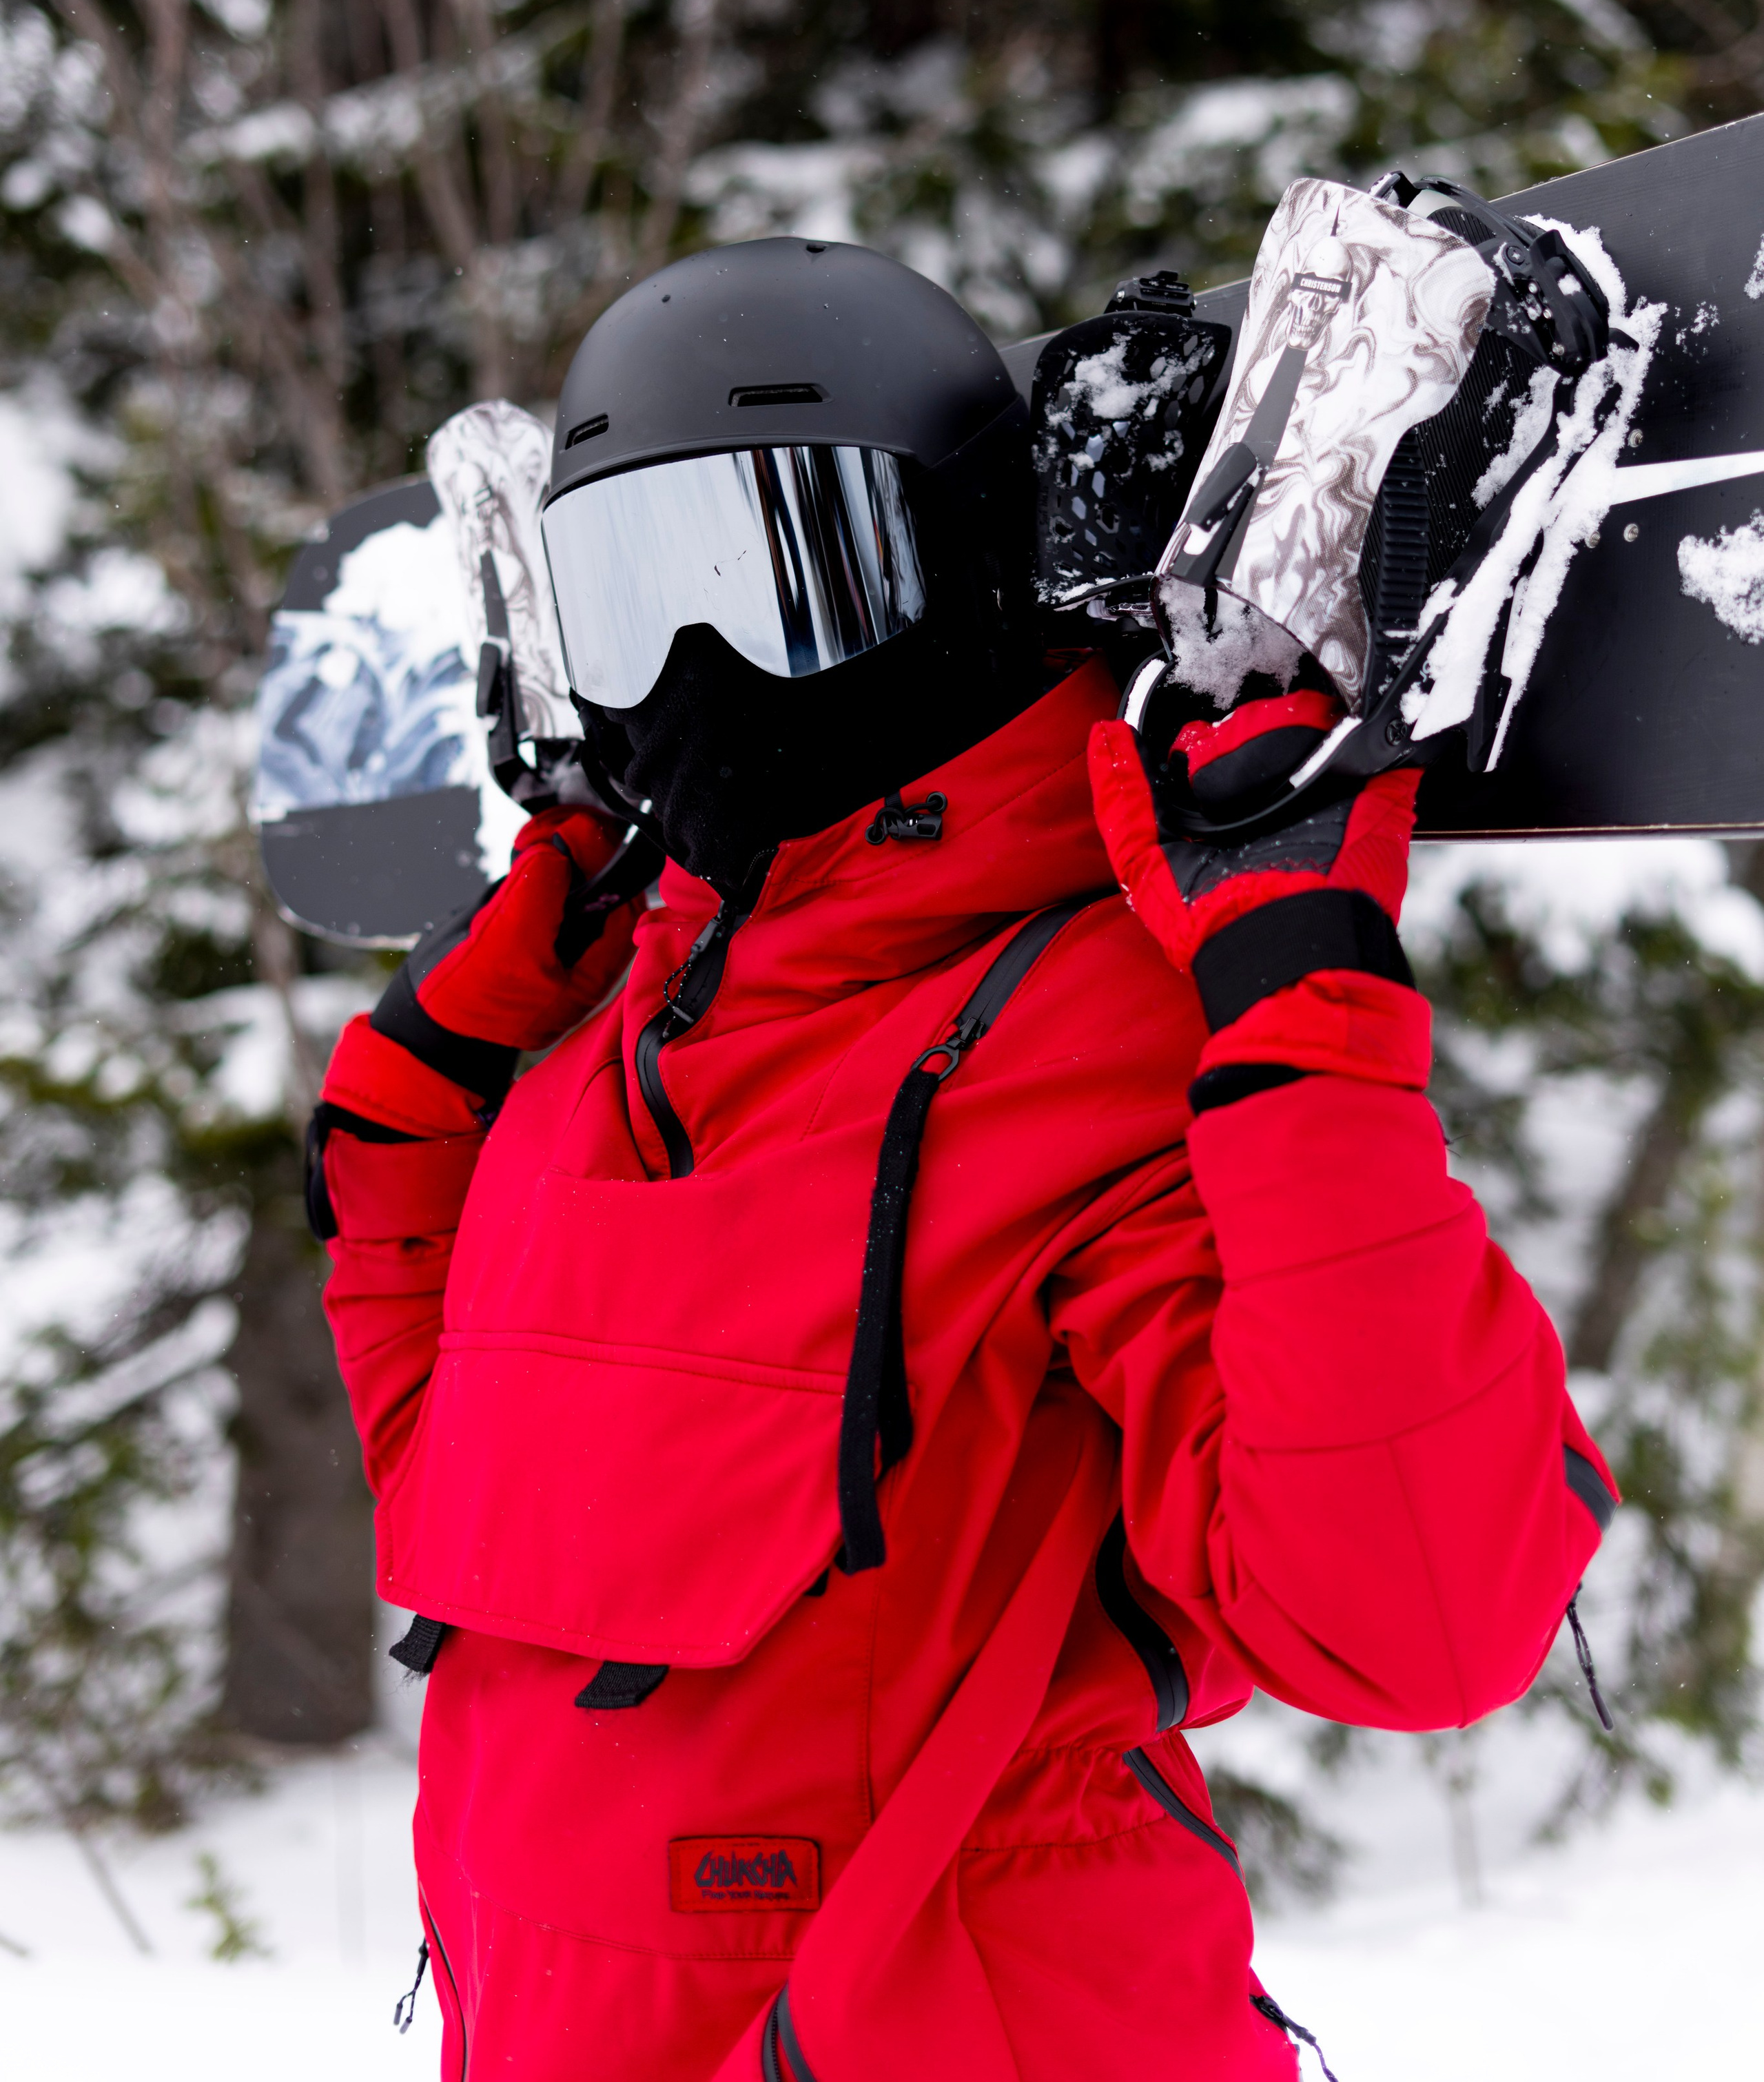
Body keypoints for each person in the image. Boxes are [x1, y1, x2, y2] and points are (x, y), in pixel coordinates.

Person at [308, 238, 1616, 2081]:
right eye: (640, 603)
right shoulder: (624, 1046)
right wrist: (426, 1071)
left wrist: (1299, 1013)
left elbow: (1416, 1618)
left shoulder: (1089, 1028)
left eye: (799, 579)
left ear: (969, 581)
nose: (706, 671)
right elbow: (436, 1449)